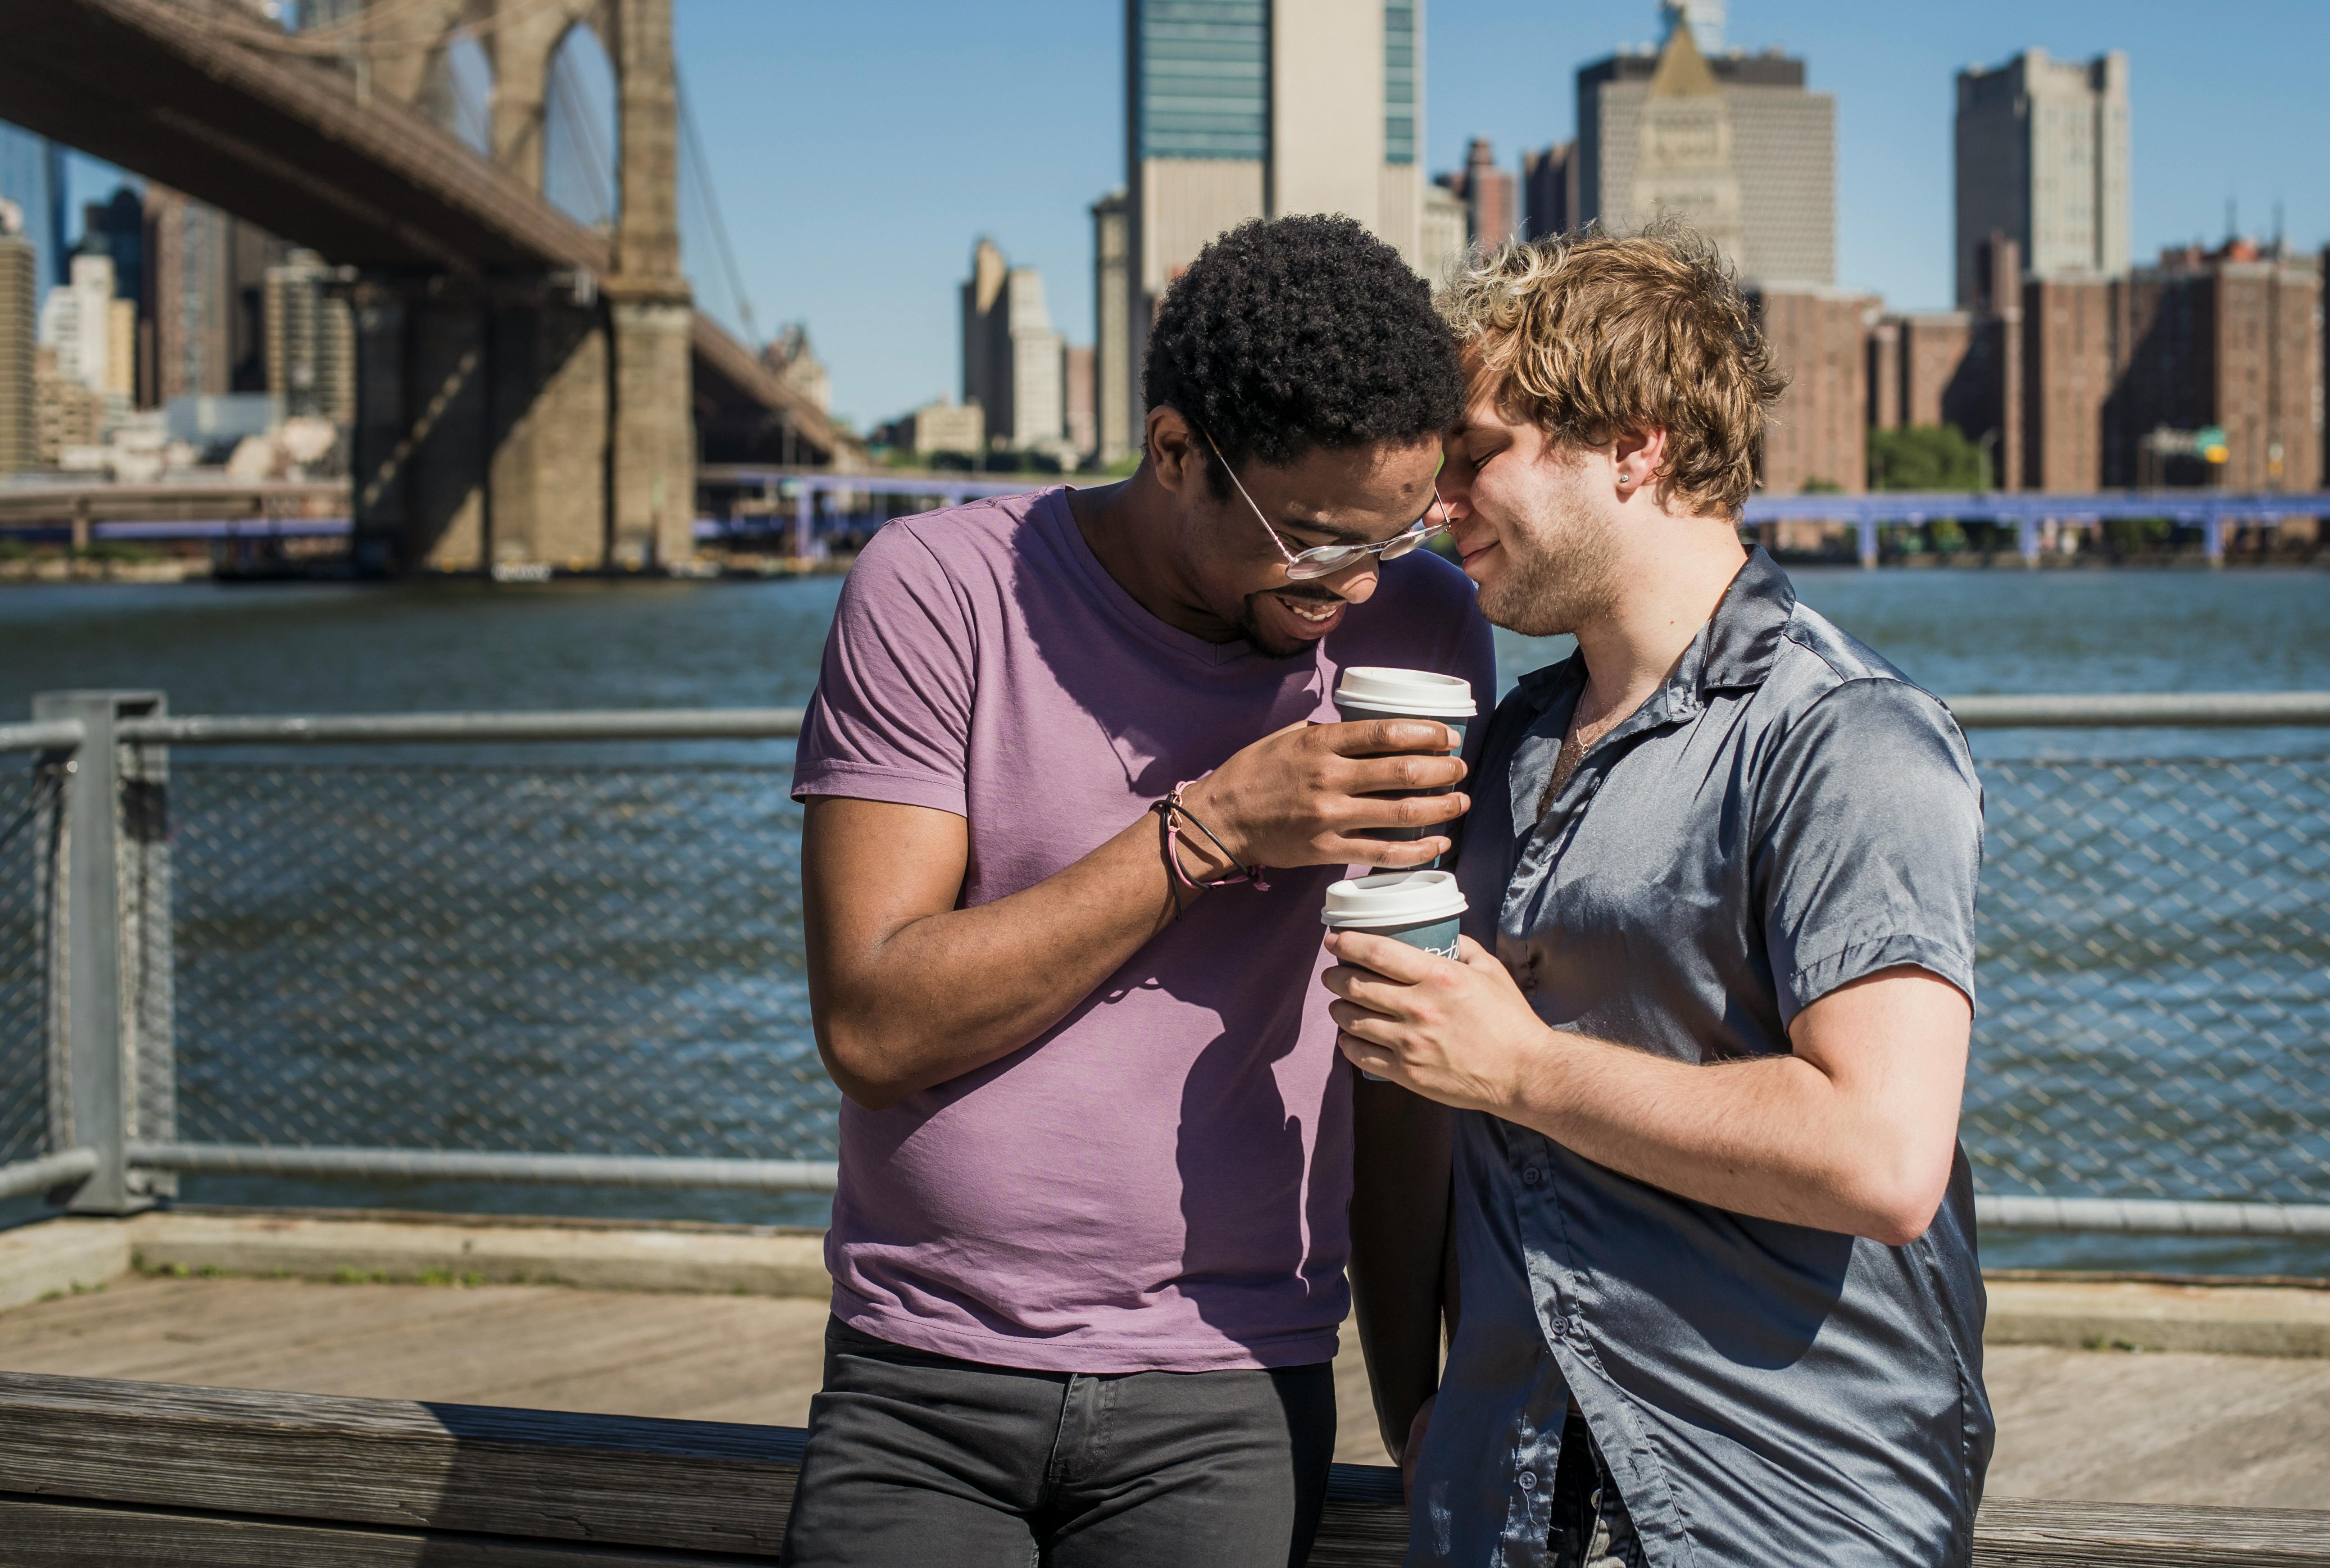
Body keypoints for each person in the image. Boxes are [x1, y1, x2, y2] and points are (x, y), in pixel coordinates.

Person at [780, 215, 1494, 1568]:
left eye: (1395, 536)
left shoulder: (1421, 627)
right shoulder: (941, 591)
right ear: (1176, 453)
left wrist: (1420, 1405)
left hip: (1230, 1373)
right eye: (1322, 540)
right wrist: (1213, 825)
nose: (1358, 584)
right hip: (921, 1368)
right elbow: (873, 1029)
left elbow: (1406, 1057)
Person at [1321, 226, 1992, 1568]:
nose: (1441, 503)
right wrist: (1419, 1412)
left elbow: (1883, 1154)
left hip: (1782, 1513)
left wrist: (1518, 1066)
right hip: (1500, 1508)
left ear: (1636, 448)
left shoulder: (1847, 735)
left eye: (1478, 452)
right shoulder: (1502, 750)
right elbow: (1412, 1110)